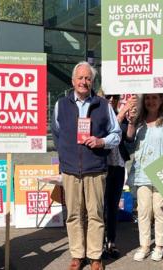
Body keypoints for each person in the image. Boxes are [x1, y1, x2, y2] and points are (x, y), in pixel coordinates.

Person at [51, 61, 121, 270]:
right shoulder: (60, 105)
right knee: (73, 214)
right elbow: (57, 134)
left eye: (87, 78)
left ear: (92, 82)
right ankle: (77, 254)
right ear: (73, 81)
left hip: (95, 169)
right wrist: (65, 156)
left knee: (95, 214)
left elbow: (116, 135)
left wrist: (101, 142)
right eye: (80, 78)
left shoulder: (103, 105)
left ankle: (95, 256)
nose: (84, 81)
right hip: (71, 170)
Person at [126, 93, 163, 262]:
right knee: (143, 210)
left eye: (155, 98)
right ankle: (144, 245)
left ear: (161, 100)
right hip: (142, 171)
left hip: (162, 172)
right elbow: (129, 140)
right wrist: (130, 122)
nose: (151, 101)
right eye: (148, 98)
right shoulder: (138, 122)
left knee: (159, 209)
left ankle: (159, 245)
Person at [102, 94, 134, 259]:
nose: (111, 100)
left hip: (119, 165)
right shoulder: (100, 113)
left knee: (113, 206)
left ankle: (111, 242)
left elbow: (129, 138)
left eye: (115, 97)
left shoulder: (121, 113)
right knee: (100, 207)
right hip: (102, 166)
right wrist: (122, 113)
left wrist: (132, 120)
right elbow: (106, 132)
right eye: (108, 96)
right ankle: (98, 243)